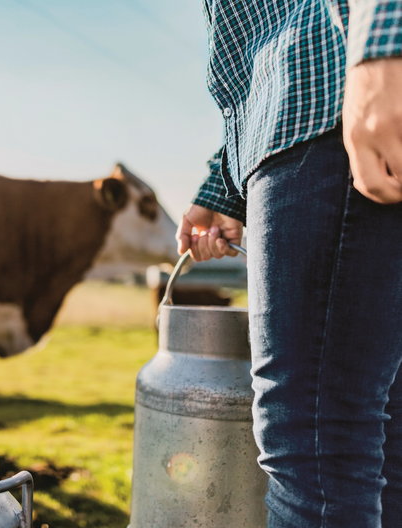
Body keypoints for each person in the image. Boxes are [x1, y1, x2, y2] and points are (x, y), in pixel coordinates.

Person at [177, 1, 402, 526]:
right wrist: (225, 184)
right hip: (311, 108)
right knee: (377, 437)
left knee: (315, 438)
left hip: (331, 107)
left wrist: (385, 45)